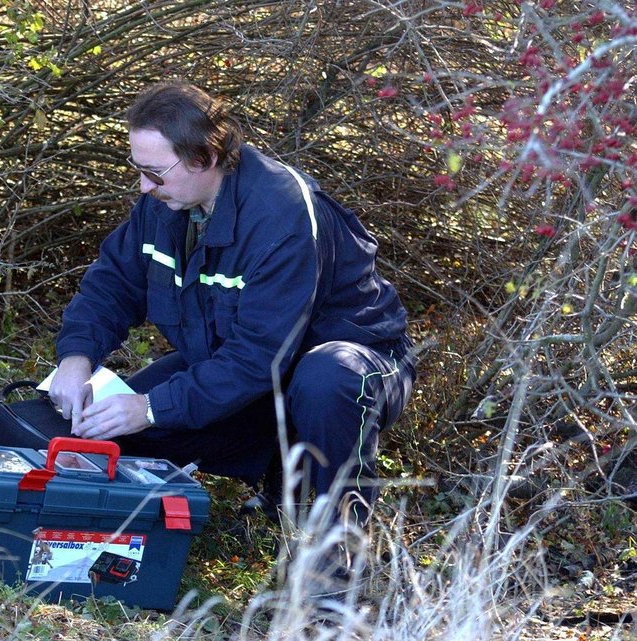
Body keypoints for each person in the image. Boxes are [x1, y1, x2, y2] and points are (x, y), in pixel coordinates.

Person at [47, 80, 415, 524]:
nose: (143, 187)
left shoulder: (281, 215)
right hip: (244, 372)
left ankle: (335, 551)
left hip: (354, 367)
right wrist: (76, 357)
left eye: (155, 172)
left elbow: (260, 357)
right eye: (138, 168)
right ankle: (279, 471)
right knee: (108, 433)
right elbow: (112, 284)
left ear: (205, 158)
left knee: (325, 380)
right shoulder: (165, 201)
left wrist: (150, 408)